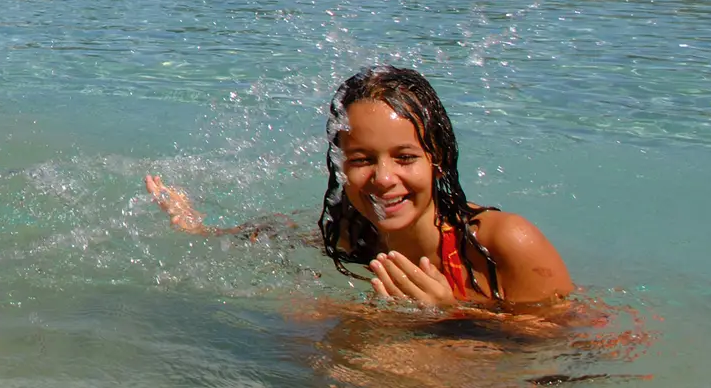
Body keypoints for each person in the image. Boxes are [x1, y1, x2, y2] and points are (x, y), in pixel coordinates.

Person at [145, 65, 573, 309]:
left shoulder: (501, 243)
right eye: (362, 160)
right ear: (340, 167)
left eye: (405, 157)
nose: (384, 179)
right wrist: (196, 229)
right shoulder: (353, 234)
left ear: (437, 160)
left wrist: (454, 314)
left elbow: (571, 344)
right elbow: (276, 236)